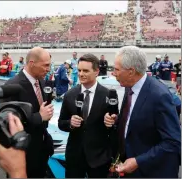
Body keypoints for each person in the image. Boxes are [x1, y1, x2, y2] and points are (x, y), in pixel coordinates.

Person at [104, 46, 181, 178]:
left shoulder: (159, 96)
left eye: (116, 69)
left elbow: (172, 142)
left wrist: (138, 161)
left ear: (131, 71)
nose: (113, 73)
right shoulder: (129, 86)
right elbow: (135, 121)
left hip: (151, 172)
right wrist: (116, 121)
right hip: (129, 168)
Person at [58, 54, 113, 178]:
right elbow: (61, 123)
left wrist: (111, 122)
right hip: (74, 157)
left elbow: (115, 125)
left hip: (99, 158)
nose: (81, 74)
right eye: (80, 70)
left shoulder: (108, 95)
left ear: (96, 72)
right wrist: (70, 124)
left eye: (86, 71)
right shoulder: (69, 95)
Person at [2, 47, 54, 178]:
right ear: (32, 63)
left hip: (41, 150)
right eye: (46, 65)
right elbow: (7, 123)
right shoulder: (12, 86)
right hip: (23, 154)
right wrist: (39, 117)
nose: (48, 69)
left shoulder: (41, 81)